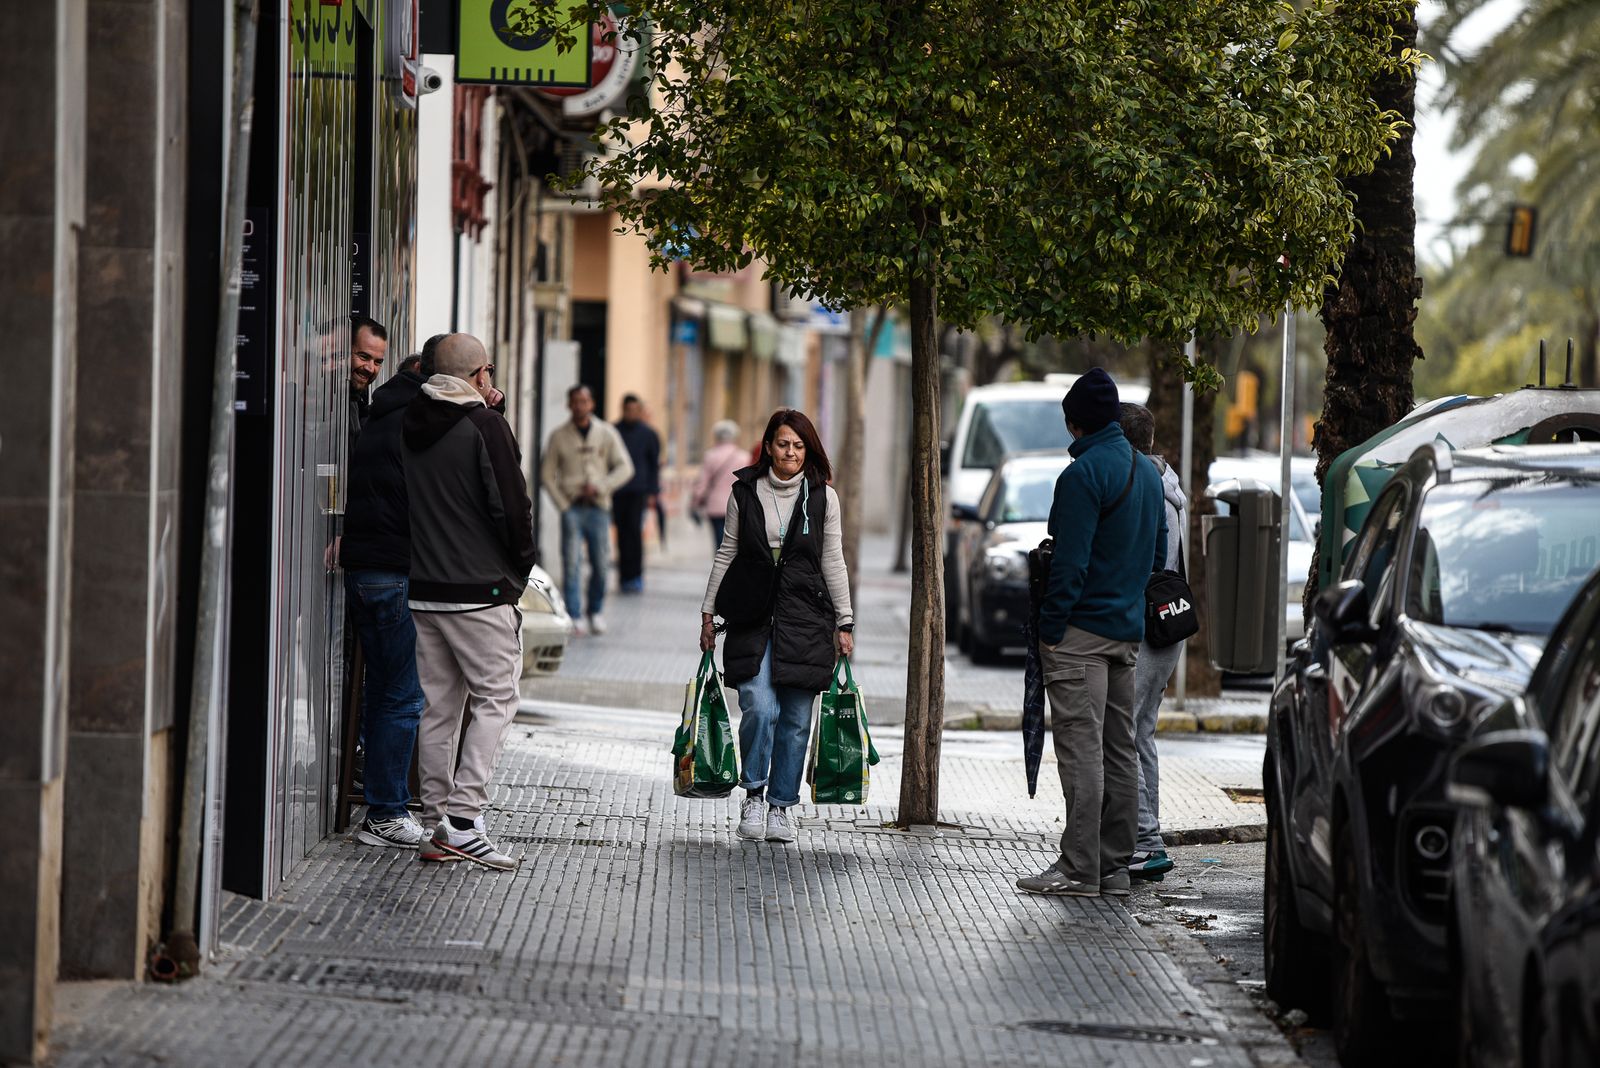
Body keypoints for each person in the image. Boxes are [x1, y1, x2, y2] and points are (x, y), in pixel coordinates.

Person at [1016, 368, 1165, 898]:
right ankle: (1114, 868)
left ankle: (1079, 868)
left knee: (1081, 752)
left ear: (1074, 421)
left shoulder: (1080, 477)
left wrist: (1052, 629)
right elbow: (1157, 557)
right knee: (1119, 749)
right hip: (1126, 635)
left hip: (1079, 634)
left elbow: (1069, 565)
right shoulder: (1148, 474)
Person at [403, 333, 537, 870]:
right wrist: (519, 568)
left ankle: (437, 820)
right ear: (479, 374)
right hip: (479, 591)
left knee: (439, 707)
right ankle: (462, 820)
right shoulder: (483, 425)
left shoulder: (412, 422)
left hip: (425, 588)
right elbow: (512, 505)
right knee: (497, 699)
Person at [700, 410, 854, 845]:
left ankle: (782, 807)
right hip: (752, 614)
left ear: (808, 451)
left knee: (796, 718)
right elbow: (726, 552)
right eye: (783, 443)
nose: (790, 452)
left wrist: (844, 620)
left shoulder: (823, 498)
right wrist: (709, 614)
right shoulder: (744, 492)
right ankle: (753, 793)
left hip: (805, 617)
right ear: (768, 446)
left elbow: (833, 561)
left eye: (799, 445)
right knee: (760, 706)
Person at [337, 335, 443, 848]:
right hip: (395, 569)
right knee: (403, 695)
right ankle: (387, 811)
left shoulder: (380, 412)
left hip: (363, 568)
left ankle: (380, 802)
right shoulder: (420, 421)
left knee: (383, 689)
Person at [1118, 401, 1185, 882]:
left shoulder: (1149, 493)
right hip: (1168, 624)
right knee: (1141, 731)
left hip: (1148, 623)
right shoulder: (1170, 485)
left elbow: (1148, 560)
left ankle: (1147, 839)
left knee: (1124, 729)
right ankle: (1146, 838)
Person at [540, 385, 634, 635]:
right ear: (569, 405)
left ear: (591, 404)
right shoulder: (559, 436)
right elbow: (547, 475)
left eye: (584, 401)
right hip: (572, 508)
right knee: (571, 562)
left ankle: (596, 610)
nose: (580, 405)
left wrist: (603, 486)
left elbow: (625, 468)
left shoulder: (606, 432)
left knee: (601, 563)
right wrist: (563, 504)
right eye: (575, 401)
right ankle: (574, 613)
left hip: (599, 508)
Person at [612, 394, 662, 594]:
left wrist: (652, 491)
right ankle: (624, 576)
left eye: (635, 410)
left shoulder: (649, 434)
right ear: (622, 409)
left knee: (634, 533)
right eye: (627, 409)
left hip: (638, 491)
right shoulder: (613, 431)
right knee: (622, 534)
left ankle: (636, 575)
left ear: (640, 411)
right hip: (617, 490)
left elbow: (654, 465)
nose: (631, 413)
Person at [692, 420, 746, 549]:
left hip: (715, 505)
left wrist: (695, 501)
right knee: (735, 542)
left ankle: (720, 567)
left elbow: (702, 483)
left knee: (719, 542)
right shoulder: (743, 457)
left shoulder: (710, 456)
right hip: (738, 504)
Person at [348, 314, 388, 449]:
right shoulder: (306, 403)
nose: (370, 368)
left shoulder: (355, 405)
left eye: (378, 362)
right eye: (364, 357)